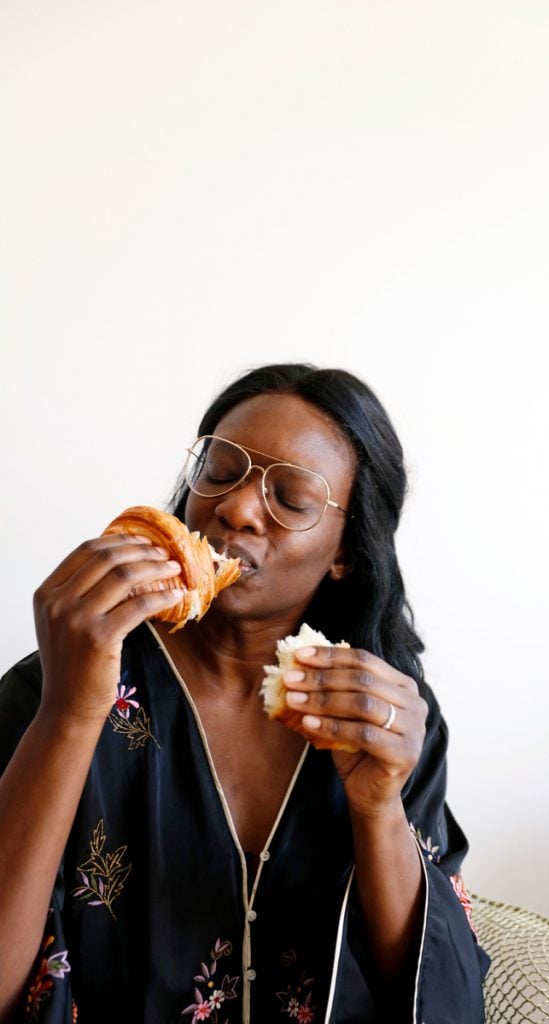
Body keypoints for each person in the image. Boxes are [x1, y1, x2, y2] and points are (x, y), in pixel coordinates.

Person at [0, 363, 489, 1024]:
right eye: (220, 471)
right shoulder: (62, 681)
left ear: (345, 550)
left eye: (291, 497)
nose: (234, 508)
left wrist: (378, 809)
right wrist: (68, 714)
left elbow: (438, 998)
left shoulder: (382, 719)